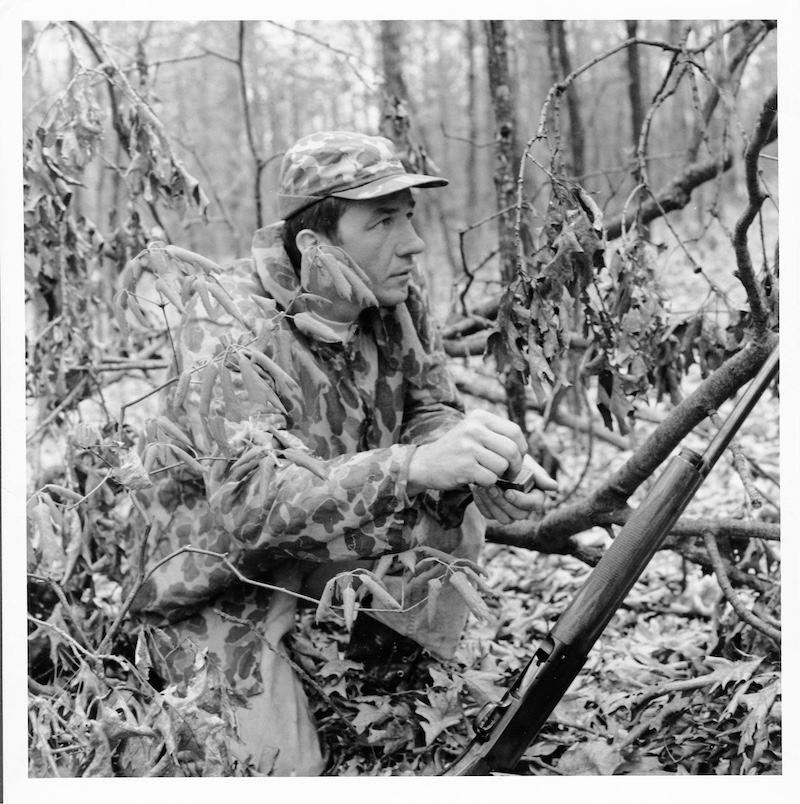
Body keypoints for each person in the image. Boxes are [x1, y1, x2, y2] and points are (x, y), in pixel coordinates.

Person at [131, 131, 557, 776]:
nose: (411, 244)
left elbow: (428, 408)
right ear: (316, 245)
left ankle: (388, 677)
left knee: (452, 500)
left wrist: (474, 455)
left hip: (326, 540)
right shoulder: (229, 326)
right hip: (222, 574)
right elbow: (253, 504)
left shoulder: (394, 297)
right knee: (282, 774)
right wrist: (413, 465)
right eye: (383, 222)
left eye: (408, 219)